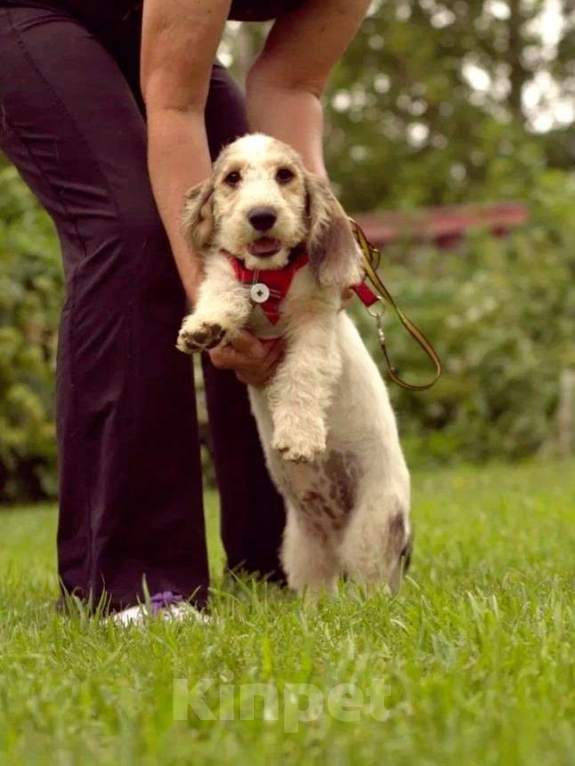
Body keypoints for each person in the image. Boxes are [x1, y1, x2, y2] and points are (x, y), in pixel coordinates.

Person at [0, 0, 370, 622]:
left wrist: (315, 245)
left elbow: (290, 85)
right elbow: (174, 106)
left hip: (144, 23)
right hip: (31, 11)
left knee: (269, 250)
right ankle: (130, 583)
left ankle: (279, 555)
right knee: (136, 233)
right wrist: (214, 305)